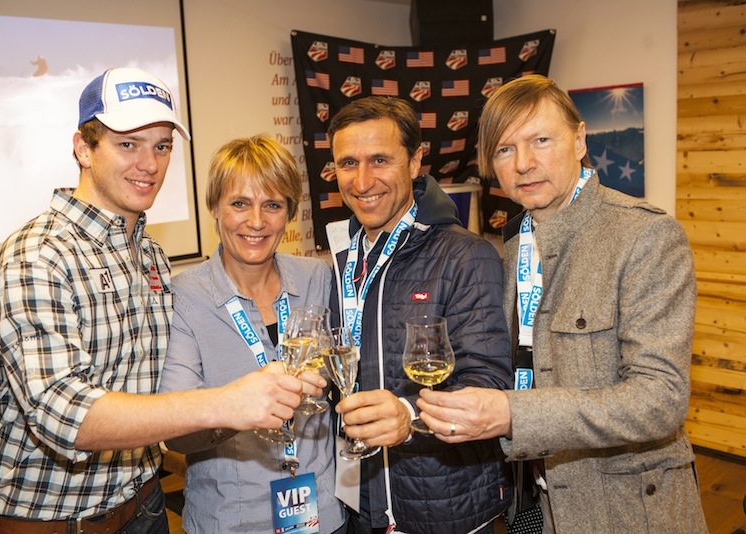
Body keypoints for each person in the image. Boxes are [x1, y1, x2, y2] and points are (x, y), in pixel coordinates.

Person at [0, 68, 314, 533]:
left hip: (145, 505)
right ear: (83, 148)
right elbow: (65, 413)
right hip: (53, 522)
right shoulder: (37, 255)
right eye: (128, 144)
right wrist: (226, 404)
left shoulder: (150, 255)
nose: (149, 164)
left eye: (161, 146)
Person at [417, 74, 709, 533]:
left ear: (579, 140)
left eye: (540, 140)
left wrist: (513, 414)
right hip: (532, 501)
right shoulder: (512, 245)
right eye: (505, 149)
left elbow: (660, 399)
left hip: (623, 510)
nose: (525, 163)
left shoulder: (645, 236)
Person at [325, 95, 513, 534]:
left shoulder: (467, 256)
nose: (363, 180)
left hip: (443, 508)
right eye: (348, 163)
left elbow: (489, 383)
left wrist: (409, 416)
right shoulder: (344, 258)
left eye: (380, 160)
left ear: (415, 161)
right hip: (361, 501)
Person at [158, 135, 346, 533]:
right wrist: (240, 409)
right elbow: (176, 436)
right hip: (231, 521)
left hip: (323, 516)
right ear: (214, 207)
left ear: (289, 213)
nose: (257, 222)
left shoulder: (318, 278)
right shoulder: (185, 297)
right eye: (239, 203)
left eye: (273, 205)